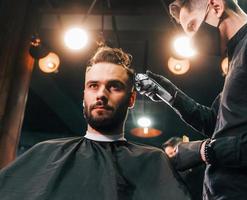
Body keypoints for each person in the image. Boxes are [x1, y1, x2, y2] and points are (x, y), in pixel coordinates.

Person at [136, 0, 247, 199]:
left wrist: (205, 151)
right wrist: (171, 96)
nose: (191, 37)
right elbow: (219, 124)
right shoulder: (237, 55)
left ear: (216, 6)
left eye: (193, 27)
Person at [0, 45, 191, 200]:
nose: (101, 94)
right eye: (93, 86)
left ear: (131, 99)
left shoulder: (152, 162)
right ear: (84, 96)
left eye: (114, 86)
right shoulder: (45, 154)